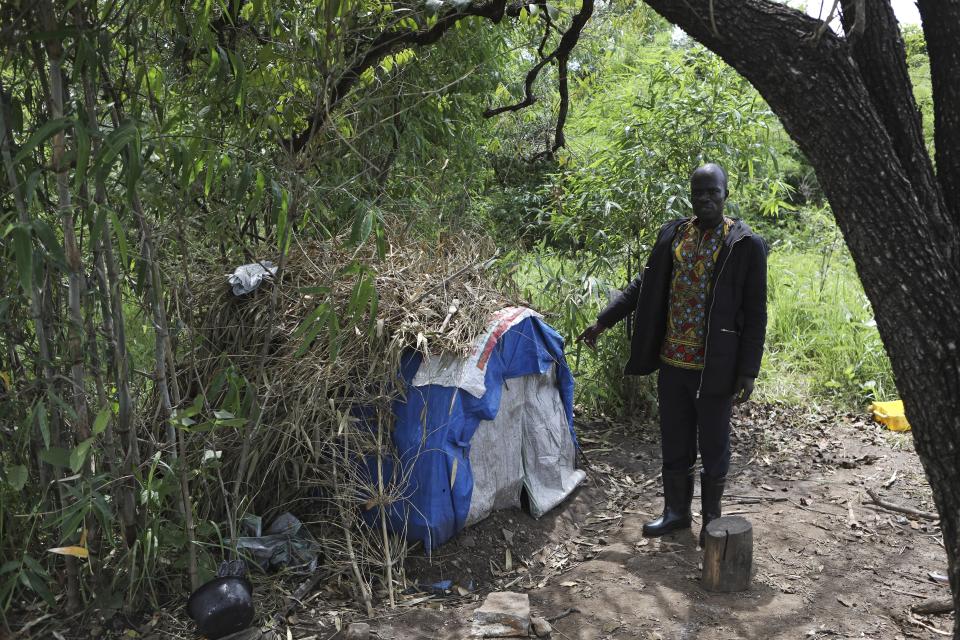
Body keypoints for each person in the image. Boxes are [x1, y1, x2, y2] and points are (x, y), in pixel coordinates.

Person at [577, 163, 768, 545]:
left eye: (713, 192)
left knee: (713, 443)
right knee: (675, 438)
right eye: (698, 193)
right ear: (690, 195)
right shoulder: (675, 235)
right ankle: (676, 512)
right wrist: (603, 321)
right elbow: (642, 286)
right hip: (673, 362)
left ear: (726, 193)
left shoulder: (745, 244)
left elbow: (756, 311)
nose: (705, 199)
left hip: (714, 365)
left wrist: (749, 371)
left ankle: (712, 520)